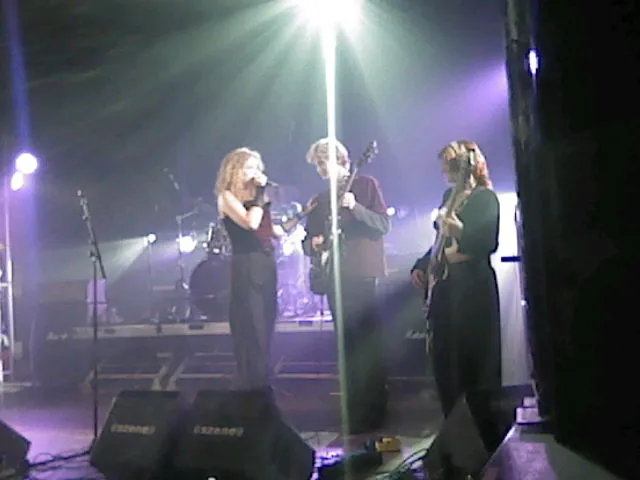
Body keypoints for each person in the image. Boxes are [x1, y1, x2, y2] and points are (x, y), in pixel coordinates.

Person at [303, 138, 390, 434]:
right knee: (346, 347)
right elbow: (307, 241)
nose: (320, 169)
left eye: (322, 162)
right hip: (334, 278)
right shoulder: (320, 199)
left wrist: (356, 208)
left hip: (362, 274)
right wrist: (313, 244)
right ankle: (353, 413)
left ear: (340, 159)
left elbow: (383, 225)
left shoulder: (365, 185)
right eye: (317, 165)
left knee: (367, 343)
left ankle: (375, 412)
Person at [410, 140, 501, 418]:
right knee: (445, 361)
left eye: (448, 167)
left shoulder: (485, 198)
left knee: (473, 361)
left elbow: (487, 243)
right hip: (447, 289)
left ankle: (481, 427)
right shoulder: (449, 196)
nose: (445, 173)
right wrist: (422, 264)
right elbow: (440, 241)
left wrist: (459, 230)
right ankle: (453, 423)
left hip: (472, 289)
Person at [215, 147, 285, 390]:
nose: (254, 173)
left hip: (266, 262)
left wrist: (290, 224)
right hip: (246, 265)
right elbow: (250, 223)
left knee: (266, 325)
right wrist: (261, 194)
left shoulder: (259, 200)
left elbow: (268, 229)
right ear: (235, 170)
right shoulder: (226, 197)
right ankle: (251, 385)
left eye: (257, 168)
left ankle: (264, 384)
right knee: (252, 328)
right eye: (249, 168)